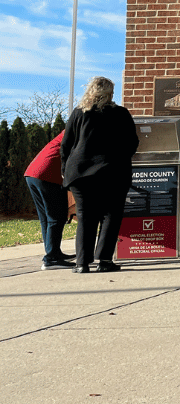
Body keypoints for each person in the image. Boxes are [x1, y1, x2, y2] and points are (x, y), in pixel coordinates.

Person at [60, 76, 139, 274]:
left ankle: (82, 264)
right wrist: (120, 158)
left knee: (85, 217)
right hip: (113, 171)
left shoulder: (78, 113)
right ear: (111, 93)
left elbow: (66, 144)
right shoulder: (120, 113)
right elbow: (132, 143)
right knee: (111, 215)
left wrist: (65, 170)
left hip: (80, 172)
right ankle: (104, 261)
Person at [24, 131, 74, 270]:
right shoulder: (79, 130)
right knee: (56, 216)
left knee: (46, 218)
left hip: (33, 173)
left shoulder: (70, 129)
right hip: (47, 174)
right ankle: (51, 258)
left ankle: (53, 253)